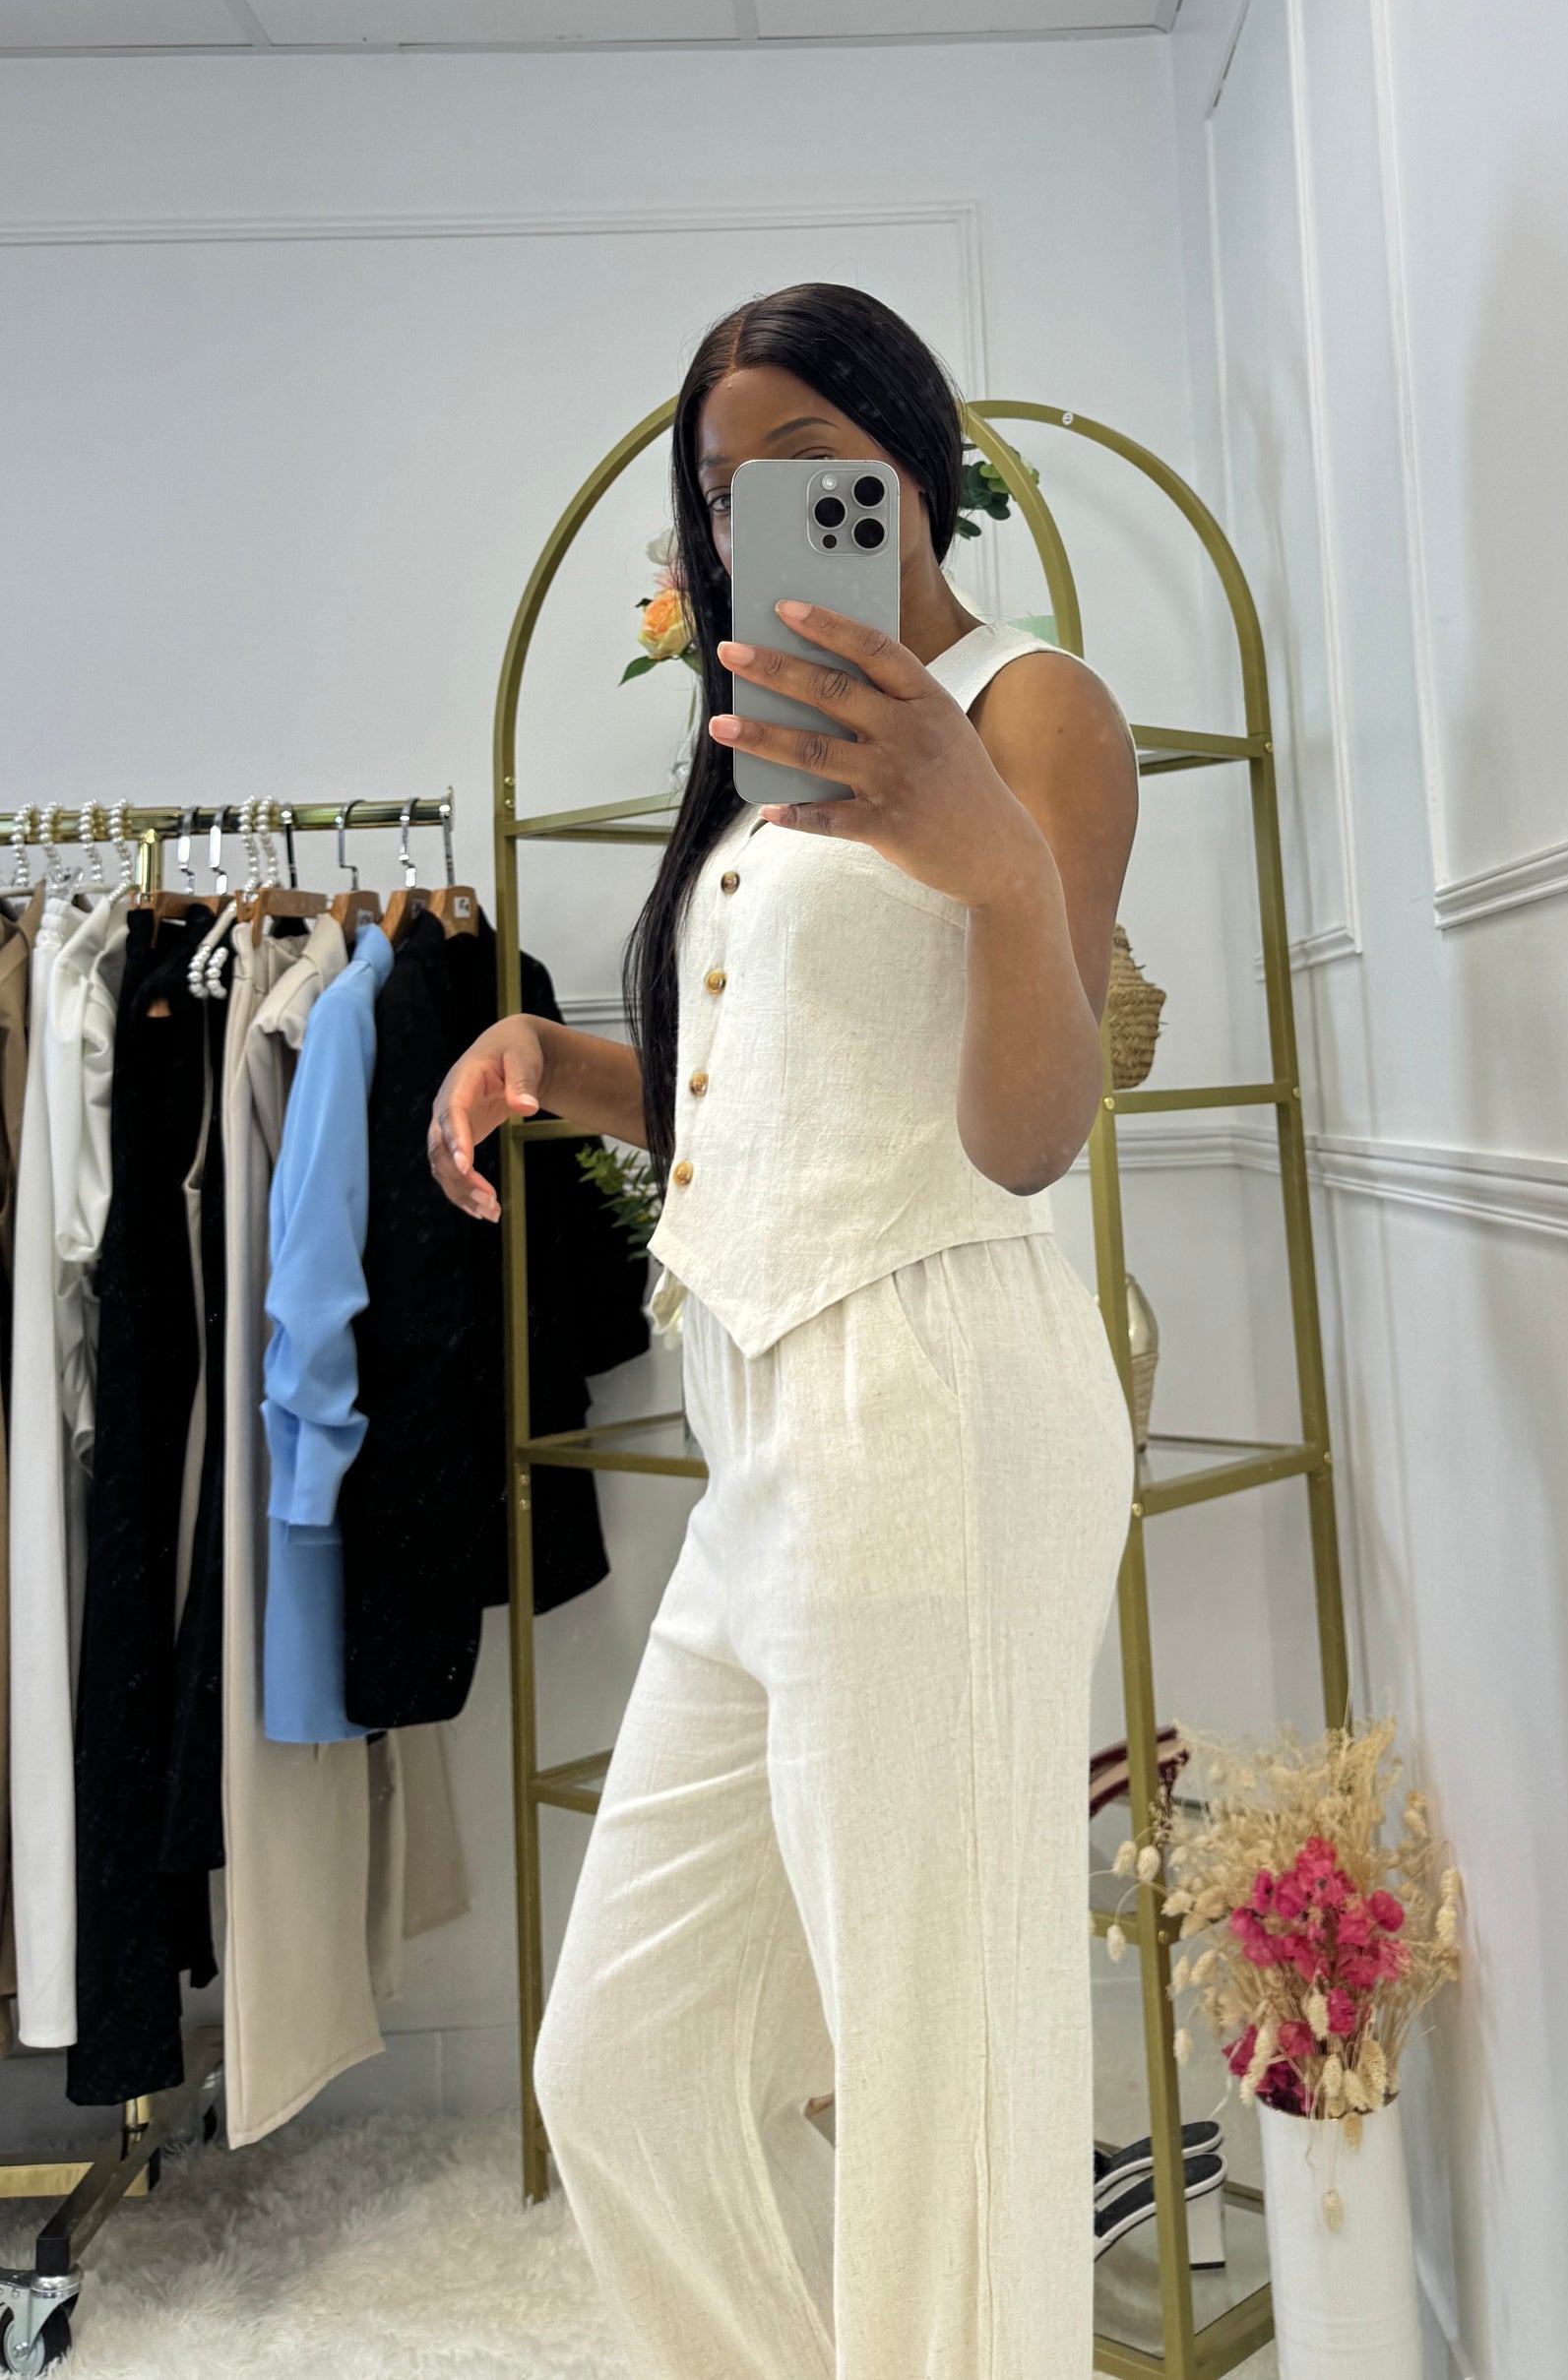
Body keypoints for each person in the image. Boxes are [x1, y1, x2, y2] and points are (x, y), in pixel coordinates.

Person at [427, 284, 1138, 2380]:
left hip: (935, 1404)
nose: (759, 511)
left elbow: (1021, 1136)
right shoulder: (769, 745)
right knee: (621, 2063)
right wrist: (562, 1062)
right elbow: (792, 1091)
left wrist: (993, 871)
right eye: (721, 486)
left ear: (914, 459)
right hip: (774, 1436)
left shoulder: (1031, 710)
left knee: (937, 2089)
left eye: (808, 462)